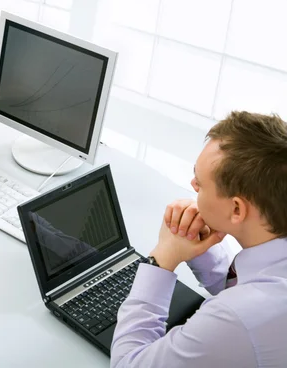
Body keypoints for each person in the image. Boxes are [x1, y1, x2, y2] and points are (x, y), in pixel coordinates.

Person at [110, 111, 287, 367]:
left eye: (201, 183)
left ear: (236, 210)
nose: (193, 184)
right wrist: (201, 245)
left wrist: (162, 259)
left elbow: (128, 365)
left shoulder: (237, 319)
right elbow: (248, 287)